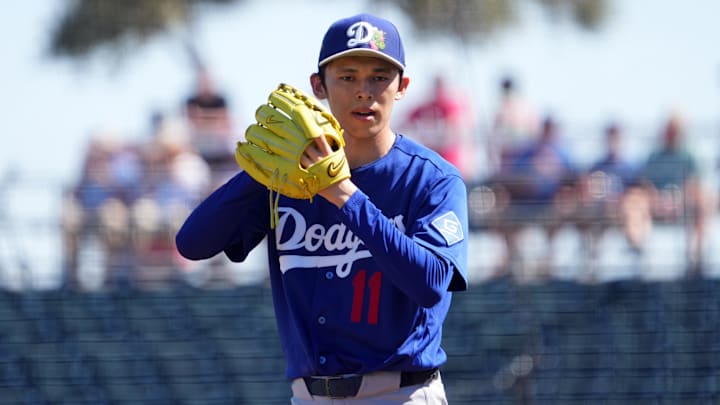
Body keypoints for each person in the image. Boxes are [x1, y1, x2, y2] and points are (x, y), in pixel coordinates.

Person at [176, 13, 468, 404]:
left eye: (379, 77)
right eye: (347, 77)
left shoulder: (432, 180)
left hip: (401, 393)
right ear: (319, 85)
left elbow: (431, 283)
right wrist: (264, 169)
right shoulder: (286, 178)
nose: (364, 91)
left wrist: (343, 194)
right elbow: (193, 243)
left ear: (402, 87)